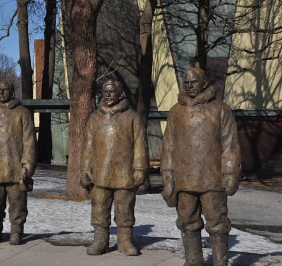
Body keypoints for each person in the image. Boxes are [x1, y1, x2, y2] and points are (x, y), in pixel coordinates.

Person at [161, 67, 241, 266]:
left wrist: (230, 173)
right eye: (186, 82)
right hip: (184, 179)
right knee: (187, 222)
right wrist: (168, 177)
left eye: (193, 82)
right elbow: (168, 147)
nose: (189, 86)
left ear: (204, 82)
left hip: (212, 179)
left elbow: (230, 145)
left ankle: (220, 262)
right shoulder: (175, 112)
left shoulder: (221, 109)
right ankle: (193, 261)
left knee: (217, 224)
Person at [80, 79, 148, 256]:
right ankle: (100, 240)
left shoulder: (133, 117)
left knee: (125, 208)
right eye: (105, 91)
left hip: (125, 174)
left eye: (112, 91)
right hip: (100, 173)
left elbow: (140, 144)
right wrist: (85, 169)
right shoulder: (95, 117)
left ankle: (125, 241)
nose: (108, 94)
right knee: (99, 207)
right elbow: (88, 145)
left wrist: (140, 169)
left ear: (120, 93)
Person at [0, 80, 37, 245]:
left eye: (5, 89)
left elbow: (29, 142)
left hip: (15, 167)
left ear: (12, 92)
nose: (2, 92)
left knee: (17, 203)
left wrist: (27, 166)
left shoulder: (22, 113)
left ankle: (16, 231)